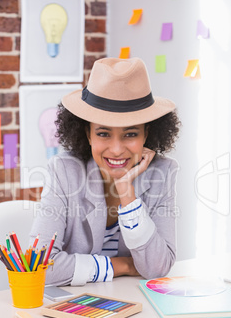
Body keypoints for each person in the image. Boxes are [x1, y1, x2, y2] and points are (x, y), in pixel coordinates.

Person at [30, 57, 181, 286]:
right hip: (74, 308)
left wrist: (127, 195)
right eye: (103, 133)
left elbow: (157, 268)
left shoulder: (163, 172)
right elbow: (38, 266)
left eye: (130, 134)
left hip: (134, 307)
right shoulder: (63, 172)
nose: (117, 149)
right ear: (88, 134)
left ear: (146, 134)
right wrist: (123, 265)